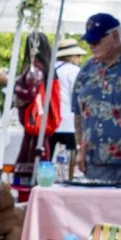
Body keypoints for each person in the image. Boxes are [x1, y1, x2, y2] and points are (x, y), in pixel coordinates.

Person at [74, 12, 121, 185]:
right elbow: (78, 112)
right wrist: (80, 148)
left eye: (97, 41)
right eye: (89, 41)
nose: (92, 46)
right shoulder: (86, 69)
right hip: (95, 163)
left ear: (115, 36)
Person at [11, 30, 58, 189]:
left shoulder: (35, 70)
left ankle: (29, 203)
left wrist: (11, 85)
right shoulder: (47, 69)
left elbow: (30, 94)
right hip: (40, 127)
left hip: (34, 127)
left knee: (32, 165)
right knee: (40, 163)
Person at [48, 39, 85, 167]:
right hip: (69, 122)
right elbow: (79, 97)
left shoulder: (49, 69)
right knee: (70, 162)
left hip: (50, 122)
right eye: (78, 55)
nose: (79, 58)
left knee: (48, 160)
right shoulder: (73, 70)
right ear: (71, 56)